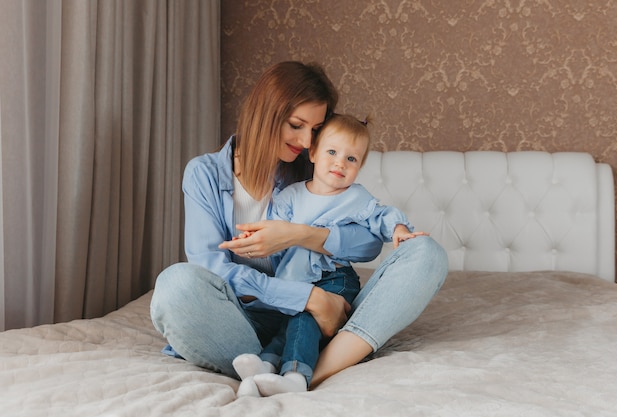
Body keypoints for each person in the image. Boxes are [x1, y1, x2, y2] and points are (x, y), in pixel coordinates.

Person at [149, 61, 448, 396]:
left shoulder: (313, 166)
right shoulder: (204, 173)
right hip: (243, 323)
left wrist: (297, 235)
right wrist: (309, 299)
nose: (307, 141)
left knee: (425, 253)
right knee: (175, 285)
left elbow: (367, 246)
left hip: (325, 323)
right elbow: (210, 267)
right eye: (296, 125)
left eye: (315, 130)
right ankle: (284, 363)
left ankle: (310, 370)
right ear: (265, 114)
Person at [232, 113, 428, 397]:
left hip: (334, 277)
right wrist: (251, 238)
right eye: (332, 152)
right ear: (312, 153)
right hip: (297, 279)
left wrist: (398, 229)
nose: (340, 163)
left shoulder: (355, 197)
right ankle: (266, 365)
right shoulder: (291, 195)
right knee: (288, 323)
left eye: (352, 159)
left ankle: (296, 377)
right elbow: (273, 227)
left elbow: (380, 216)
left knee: (303, 317)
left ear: (359, 167)